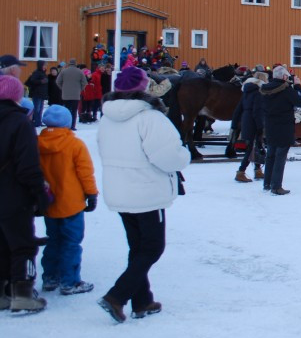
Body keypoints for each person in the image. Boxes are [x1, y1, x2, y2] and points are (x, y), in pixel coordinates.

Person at [96, 66, 190, 323]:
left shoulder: (107, 117)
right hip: (146, 191)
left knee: (137, 247)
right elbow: (168, 156)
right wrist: (183, 155)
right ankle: (117, 296)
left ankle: (143, 301)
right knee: (152, 248)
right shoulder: (150, 118)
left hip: (119, 189)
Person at [0, 75, 50, 314]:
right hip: (13, 194)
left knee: (1, 243)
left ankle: (2, 294)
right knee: (23, 245)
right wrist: (39, 193)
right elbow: (27, 165)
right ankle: (22, 295)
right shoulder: (20, 122)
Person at [37, 105, 98, 296]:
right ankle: (70, 281)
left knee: (53, 240)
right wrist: (91, 194)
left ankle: (50, 277)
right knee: (71, 242)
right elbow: (85, 172)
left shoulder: (37, 144)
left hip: (48, 201)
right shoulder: (74, 144)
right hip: (71, 202)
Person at [259, 65, 301, 195]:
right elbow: (300, 101)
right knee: (280, 157)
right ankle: (276, 186)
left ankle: (267, 183)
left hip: (270, 126)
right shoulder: (286, 90)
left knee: (271, 155)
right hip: (284, 127)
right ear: (284, 76)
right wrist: (298, 86)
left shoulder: (264, 89)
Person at [234, 71, 267, 183]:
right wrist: (260, 127)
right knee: (252, 149)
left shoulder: (246, 92)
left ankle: (257, 170)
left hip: (246, 121)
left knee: (256, 146)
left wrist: (234, 124)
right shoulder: (259, 93)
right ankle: (241, 172)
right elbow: (257, 111)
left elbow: (238, 109)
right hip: (254, 122)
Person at [56, 58, 88, 130]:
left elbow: (58, 82)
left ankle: (66, 125)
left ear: (69, 63)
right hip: (75, 95)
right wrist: (80, 89)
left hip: (65, 95)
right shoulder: (79, 72)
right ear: (75, 63)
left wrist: (63, 88)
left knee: (66, 110)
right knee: (74, 111)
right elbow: (85, 83)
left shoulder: (64, 71)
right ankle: (72, 126)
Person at [24, 60, 49, 128]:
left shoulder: (43, 73)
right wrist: (41, 81)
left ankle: (38, 121)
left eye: (46, 65)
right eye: (44, 65)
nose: (45, 67)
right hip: (37, 93)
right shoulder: (37, 72)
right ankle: (35, 121)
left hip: (41, 94)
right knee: (37, 108)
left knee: (40, 108)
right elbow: (33, 81)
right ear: (40, 65)